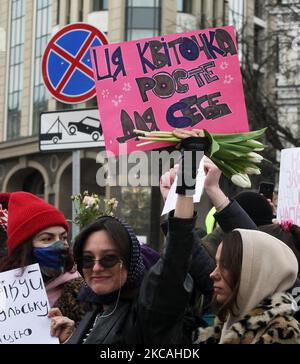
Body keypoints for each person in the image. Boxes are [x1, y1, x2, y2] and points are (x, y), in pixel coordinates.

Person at [48, 132, 213, 344]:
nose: (96, 268)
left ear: (130, 262)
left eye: (109, 258)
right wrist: (71, 339)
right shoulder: (96, 309)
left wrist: (190, 159)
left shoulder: (150, 311)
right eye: (87, 259)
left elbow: (177, 251)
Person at [193, 228, 300, 344]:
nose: (213, 274)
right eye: (216, 264)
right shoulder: (224, 322)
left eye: (224, 266)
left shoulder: (282, 332)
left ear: (255, 273)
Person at [0, 191, 92, 324]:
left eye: (63, 237)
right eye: (47, 238)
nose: (60, 245)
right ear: (25, 249)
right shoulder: (5, 290)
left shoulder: (81, 292)